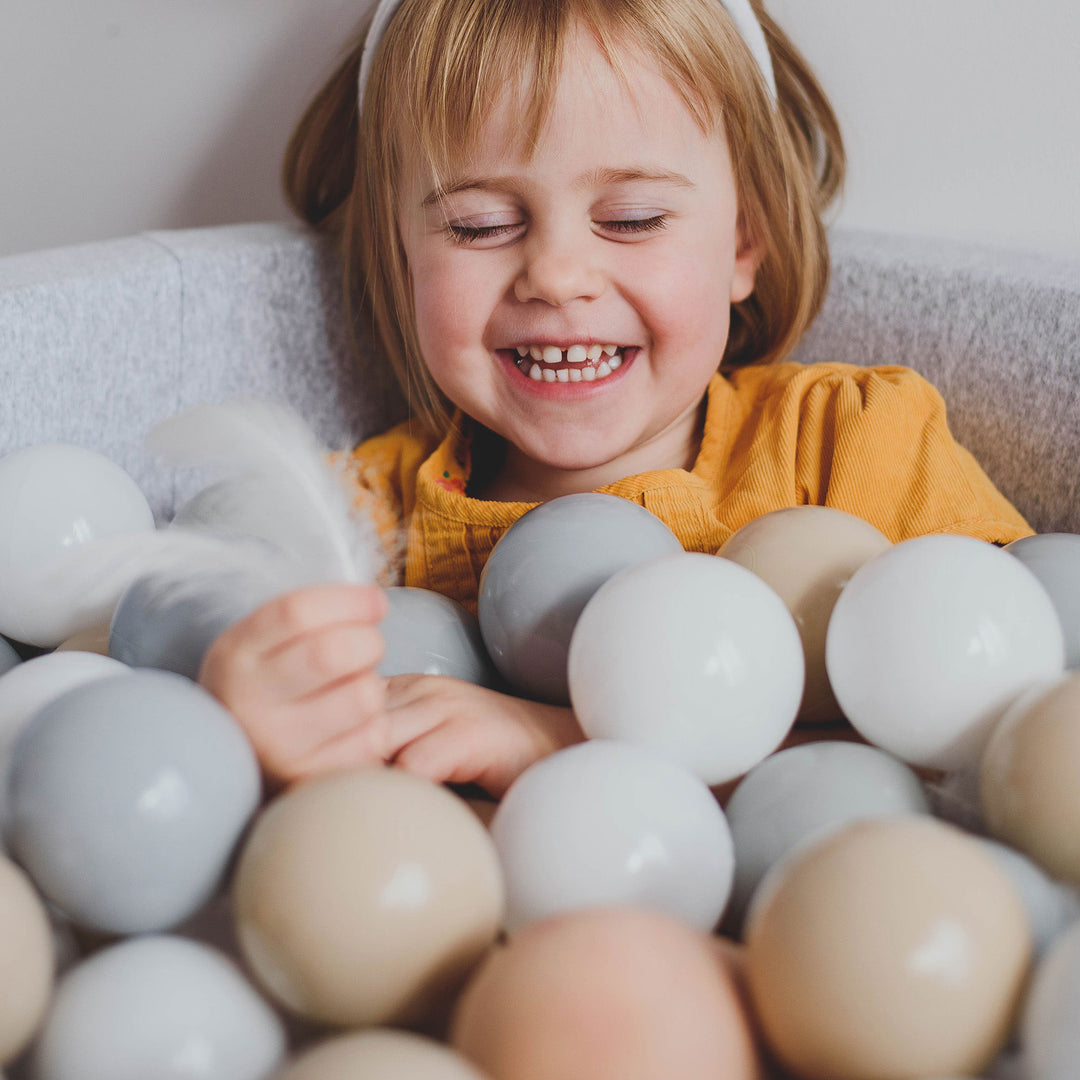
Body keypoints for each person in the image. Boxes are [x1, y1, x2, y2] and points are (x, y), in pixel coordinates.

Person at [198, 0, 1032, 794]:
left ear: (746, 238)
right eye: (480, 224)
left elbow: (1001, 726)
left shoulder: (853, 448)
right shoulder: (352, 522)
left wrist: (558, 741)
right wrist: (254, 724)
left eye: (631, 218)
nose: (558, 277)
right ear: (401, 251)